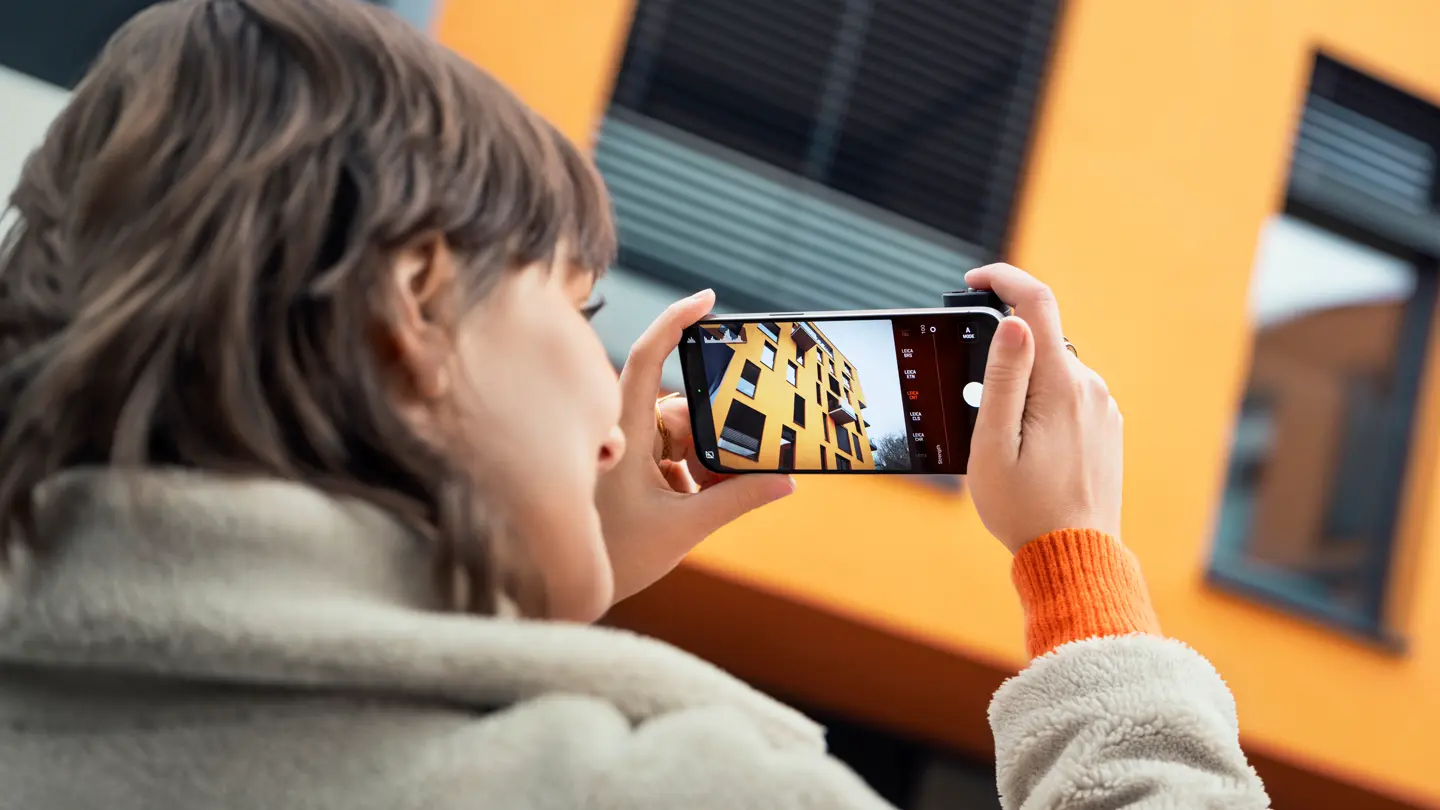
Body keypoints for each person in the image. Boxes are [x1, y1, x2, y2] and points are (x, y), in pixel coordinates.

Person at [0, 1, 1269, 808]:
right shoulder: (674, 788)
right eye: (577, 308)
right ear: (415, 308)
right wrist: (1079, 576)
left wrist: (522, 570)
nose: (616, 405)